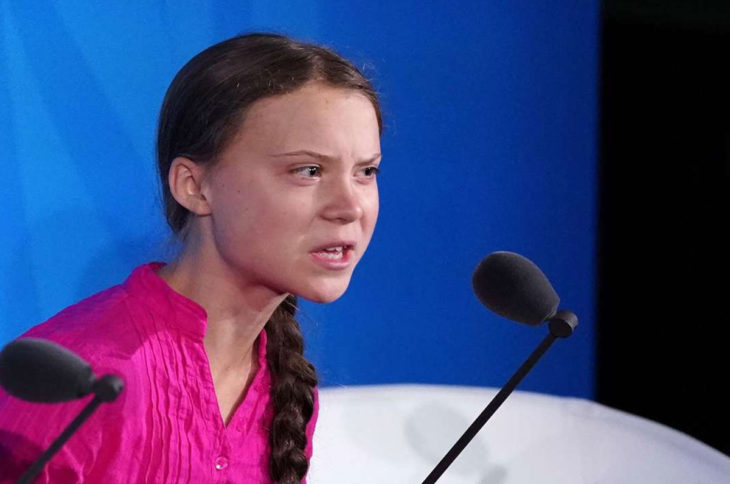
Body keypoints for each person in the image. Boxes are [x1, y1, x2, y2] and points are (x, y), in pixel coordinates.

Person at [0, 33, 383, 483]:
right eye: (308, 171)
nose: (350, 206)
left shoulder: (287, 390)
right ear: (194, 186)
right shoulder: (77, 387)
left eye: (366, 172)